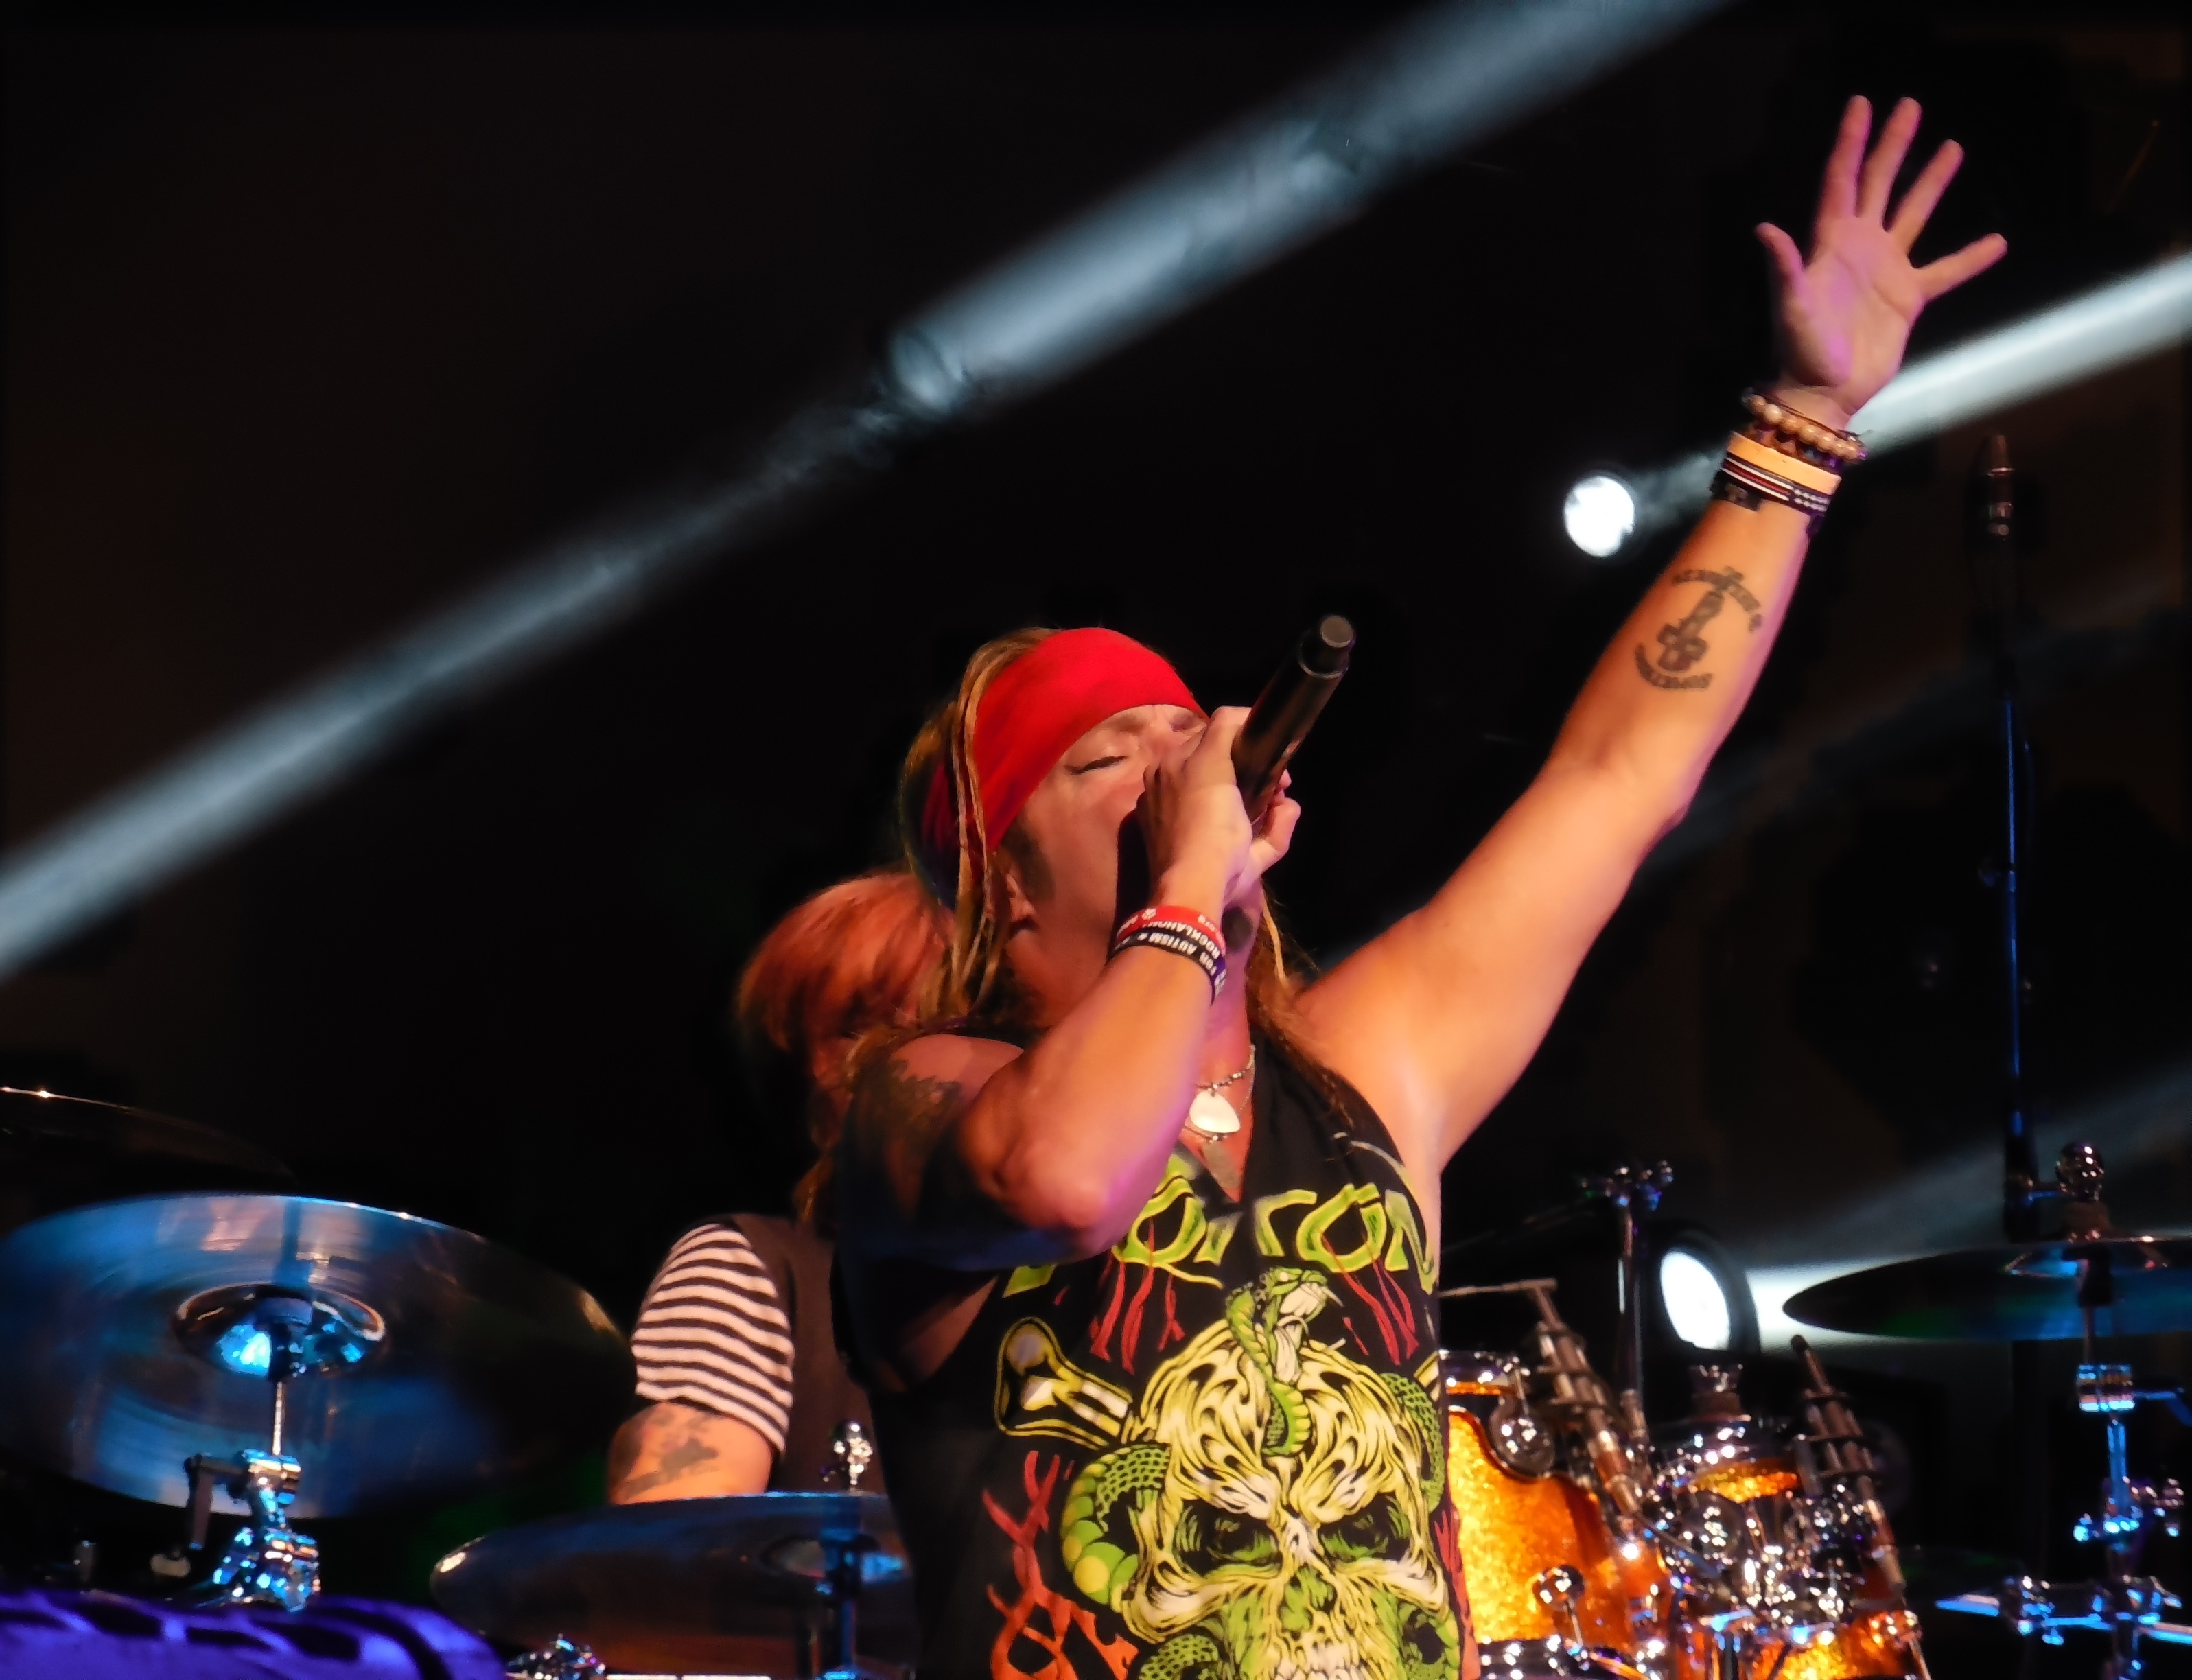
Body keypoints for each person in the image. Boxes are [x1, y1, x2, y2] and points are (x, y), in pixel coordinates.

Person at [832, 97, 2003, 1679]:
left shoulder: (1364, 1067)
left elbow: (1615, 780)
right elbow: (1062, 1178)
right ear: (1005, 878)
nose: (1188, 761)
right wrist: (1186, 888)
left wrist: (1798, 426)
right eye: (1112, 757)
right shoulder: (922, 1103)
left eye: (1188, 732)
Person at [607, 867, 946, 1501]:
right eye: (861, 1027)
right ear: (807, 1080)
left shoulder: (1097, 1291)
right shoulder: (748, 1271)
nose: (908, 1057)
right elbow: (676, 1546)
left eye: (943, 1019)